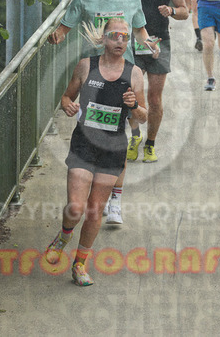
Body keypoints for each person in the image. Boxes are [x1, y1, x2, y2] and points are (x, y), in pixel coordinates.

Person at [44, 19, 147, 286]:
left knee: (94, 210)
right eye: (114, 35)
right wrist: (67, 105)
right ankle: (63, 237)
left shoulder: (135, 73)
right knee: (76, 207)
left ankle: (79, 264)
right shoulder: (85, 66)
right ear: (103, 39)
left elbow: (143, 116)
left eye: (125, 37)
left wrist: (134, 106)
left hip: (113, 149)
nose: (120, 41)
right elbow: (66, 97)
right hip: (84, 144)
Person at [122, 0, 188, 165]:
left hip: (160, 43)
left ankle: (150, 144)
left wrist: (171, 11)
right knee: (131, 95)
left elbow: (184, 11)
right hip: (132, 44)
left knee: (155, 99)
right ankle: (135, 137)